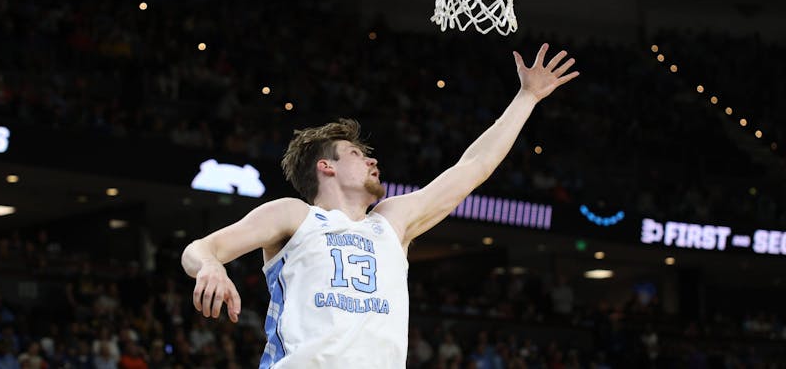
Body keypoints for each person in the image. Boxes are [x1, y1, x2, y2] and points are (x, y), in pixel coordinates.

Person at [181, 43, 578, 368]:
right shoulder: (295, 215)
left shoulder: (391, 222)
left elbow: (474, 166)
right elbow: (198, 249)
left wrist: (527, 97)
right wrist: (211, 265)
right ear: (326, 167)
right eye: (356, 153)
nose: (372, 160)